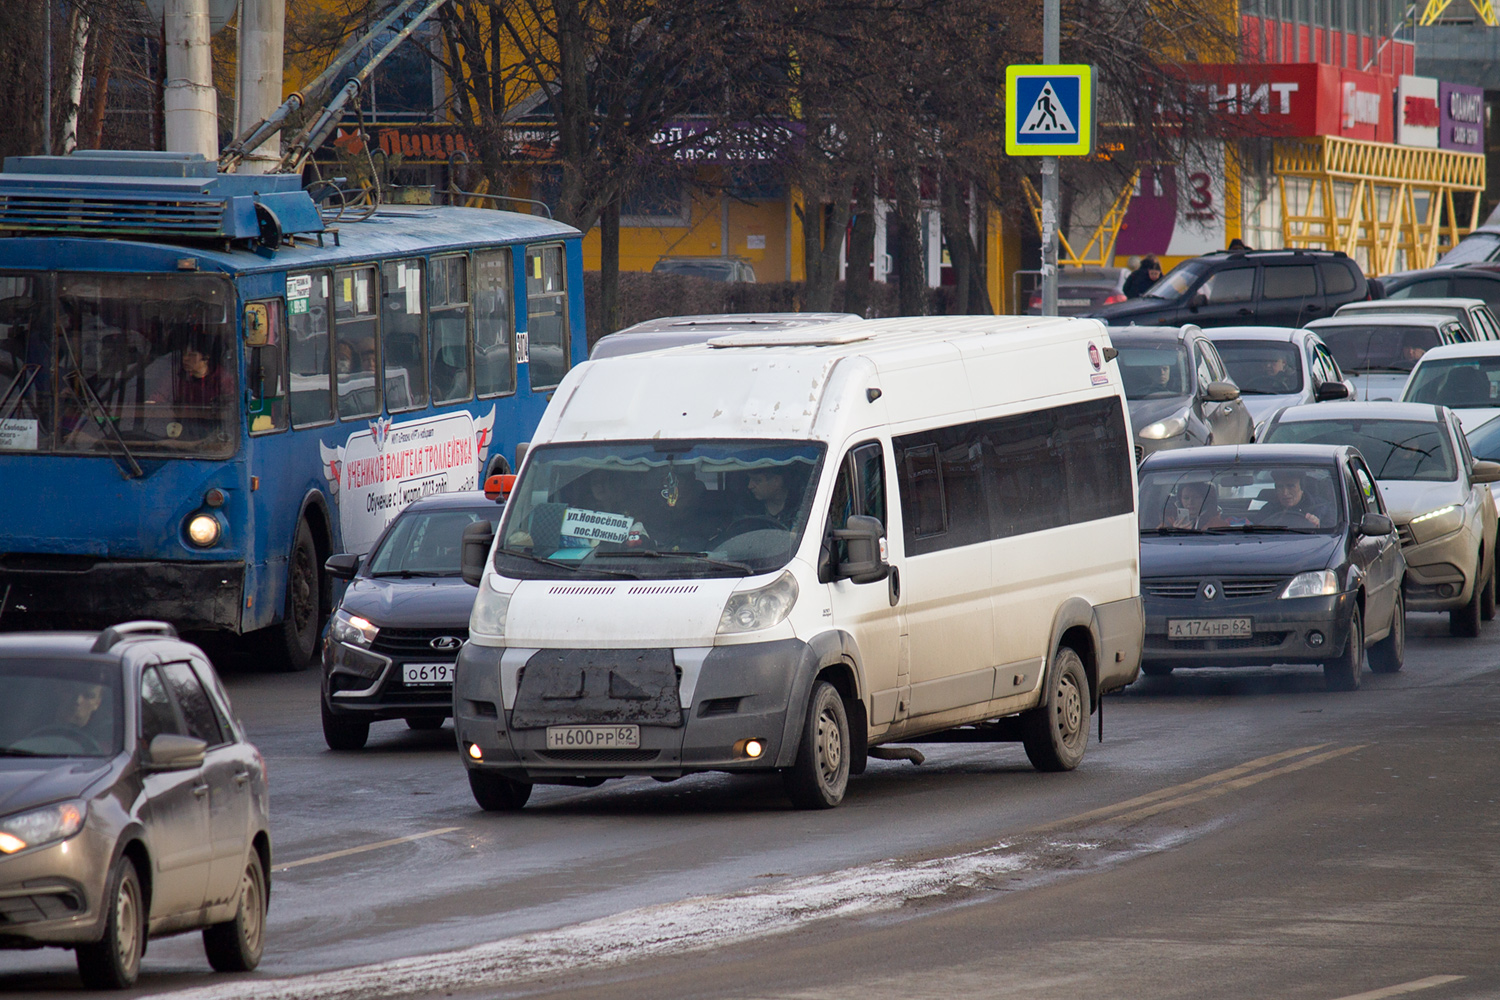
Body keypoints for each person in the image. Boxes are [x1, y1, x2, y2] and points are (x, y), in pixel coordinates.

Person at [1255, 470, 1329, 528]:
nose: (1285, 493)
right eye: (1280, 487)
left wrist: (1318, 527)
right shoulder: (1268, 510)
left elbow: (1332, 536)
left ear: (1302, 488)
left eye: (1290, 486)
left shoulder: (1322, 508)